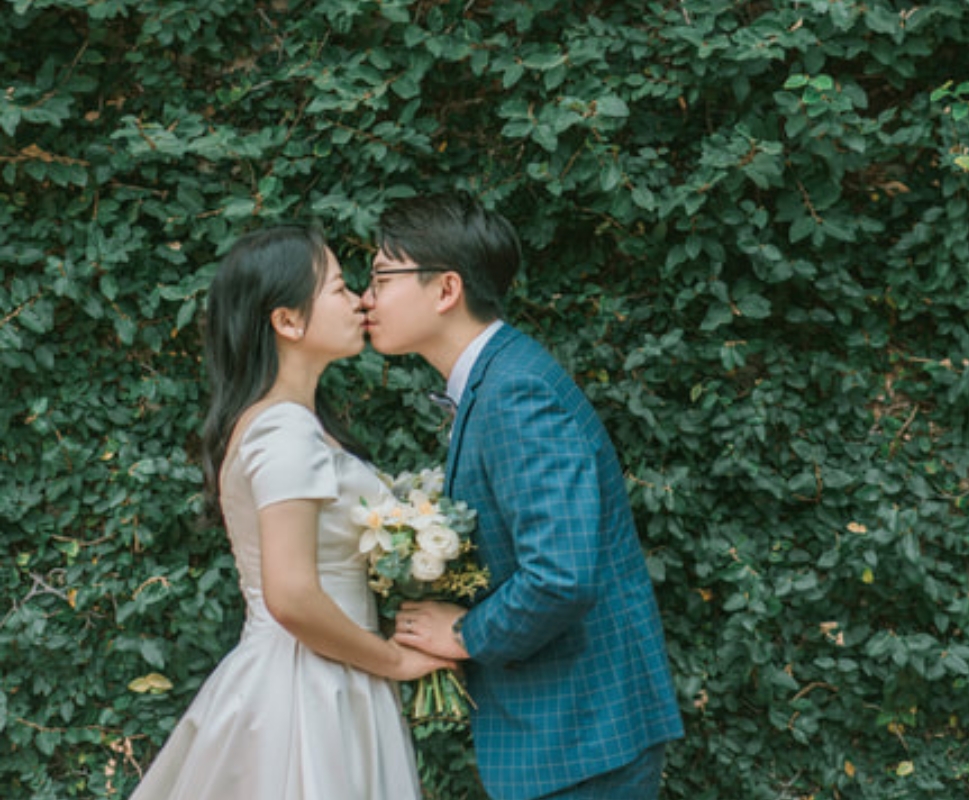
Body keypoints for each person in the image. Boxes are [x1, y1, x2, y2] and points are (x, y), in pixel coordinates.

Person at [361, 192, 684, 800]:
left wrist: (463, 634)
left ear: (445, 289)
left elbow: (560, 575)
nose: (365, 297)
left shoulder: (515, 393)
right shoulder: (498, 380)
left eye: (381, 275)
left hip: (581, 740)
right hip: (571, 735)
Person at [130, 224, 450, 800]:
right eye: (338, 288)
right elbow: (293, 595)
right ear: (287, 321)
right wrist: (393, 662)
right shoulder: (283, 431)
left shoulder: (288, 424)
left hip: (327, 673)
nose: (359, 301)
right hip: (307, 687)